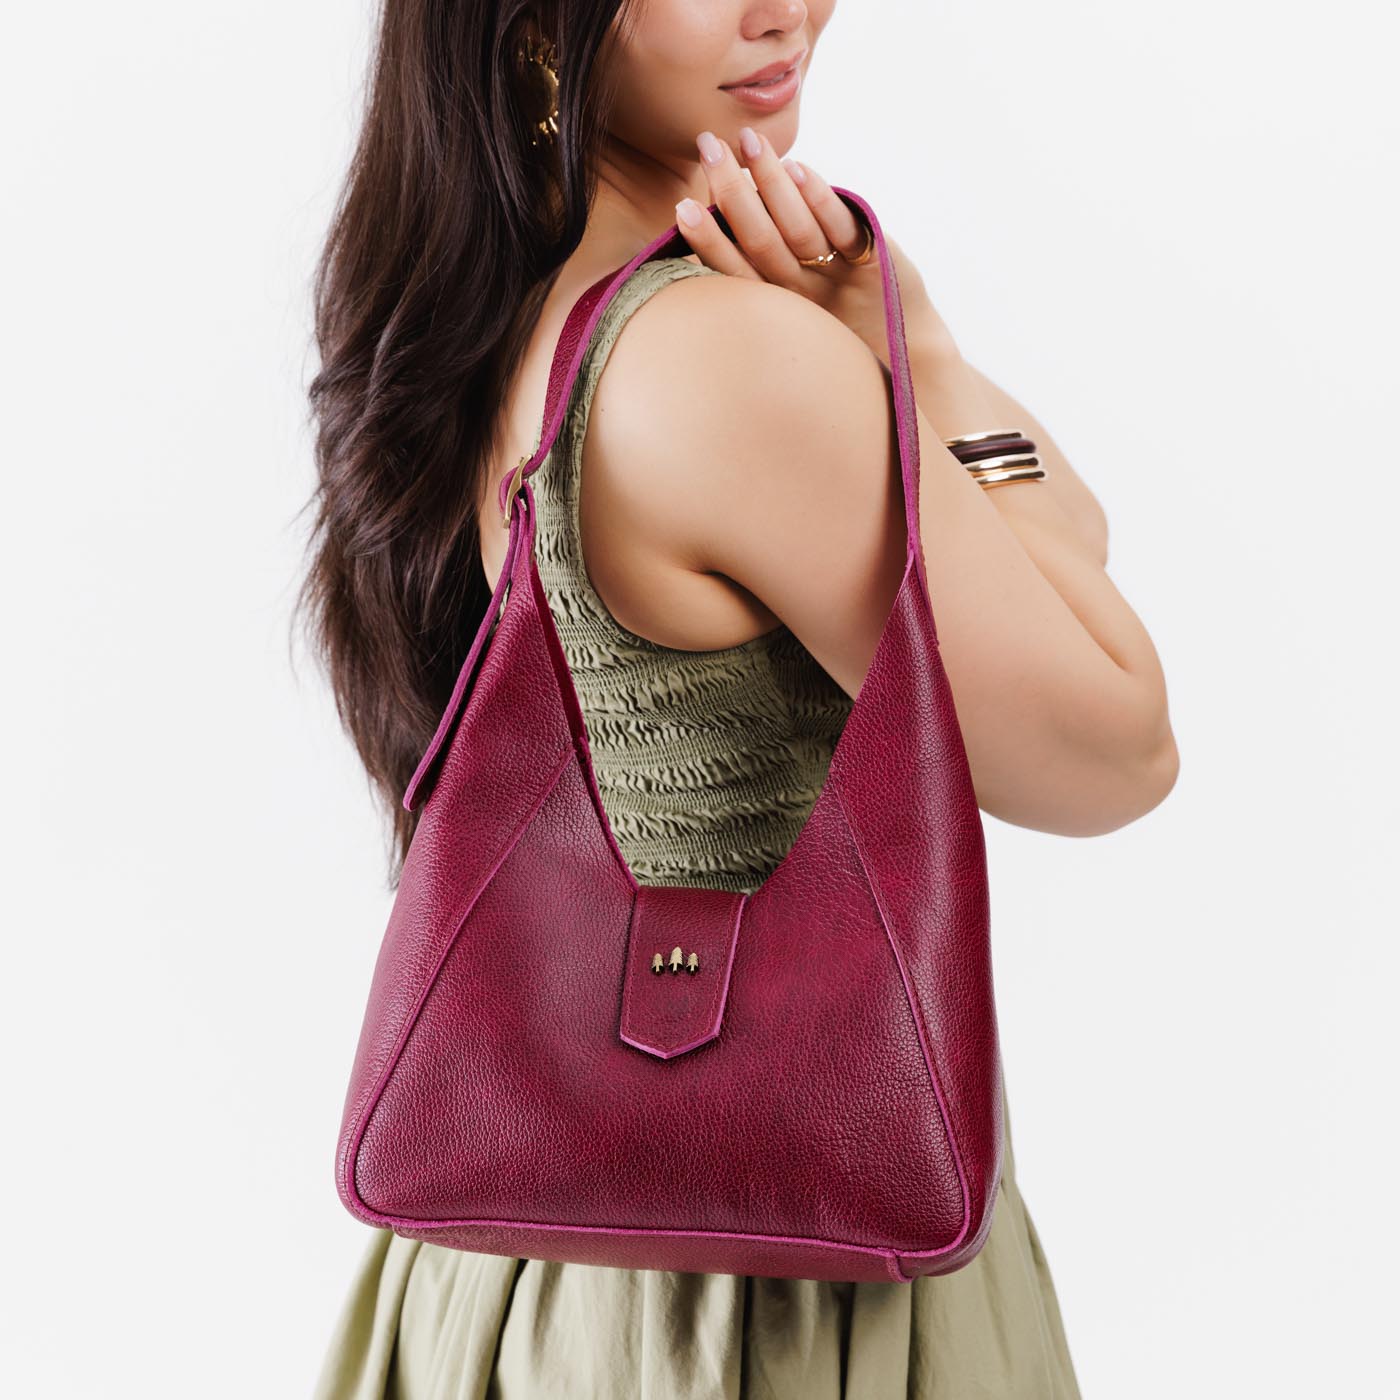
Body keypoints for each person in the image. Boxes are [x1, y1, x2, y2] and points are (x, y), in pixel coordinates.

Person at [300, 1, 1178, 1395]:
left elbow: (1064, 552)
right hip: (760, 1290)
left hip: (514, 1267)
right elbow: (1117, 750)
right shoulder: (726, 361)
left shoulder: (503, 312)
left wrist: (903, 363)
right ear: (536, 24)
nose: (789, 8)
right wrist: (919, 364)